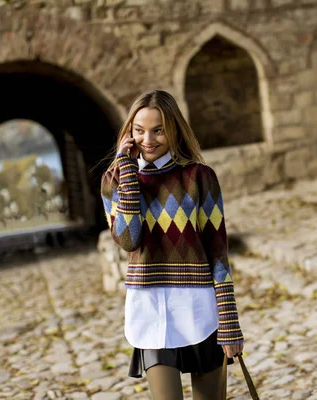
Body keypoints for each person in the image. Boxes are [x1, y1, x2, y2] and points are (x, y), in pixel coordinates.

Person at [101, 90, 244, 400]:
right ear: (130, 132)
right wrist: (127, 174)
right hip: (149, 313)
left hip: (200, 311)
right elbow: (128, 239)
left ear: (175, 129)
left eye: (159, 129)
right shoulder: (114, 180)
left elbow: (218, 253)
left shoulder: (199, 177)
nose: (148, 139)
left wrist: (230, 322)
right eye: (139, 130)